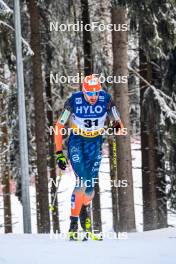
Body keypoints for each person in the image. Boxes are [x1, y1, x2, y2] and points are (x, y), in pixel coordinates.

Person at [54, 74, 124, 240]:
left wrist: (116, 126)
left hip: (95, 144)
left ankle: (83, 216)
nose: (93, 97)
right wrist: (59, 153)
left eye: (96, 93)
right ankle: (73, 226)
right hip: (77, 142)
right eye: (90, 94)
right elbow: (59, 126)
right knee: (83, 181)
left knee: (90, 189)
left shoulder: (106, 99)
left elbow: (119, 124)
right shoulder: (74, 101)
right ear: (83, 92)